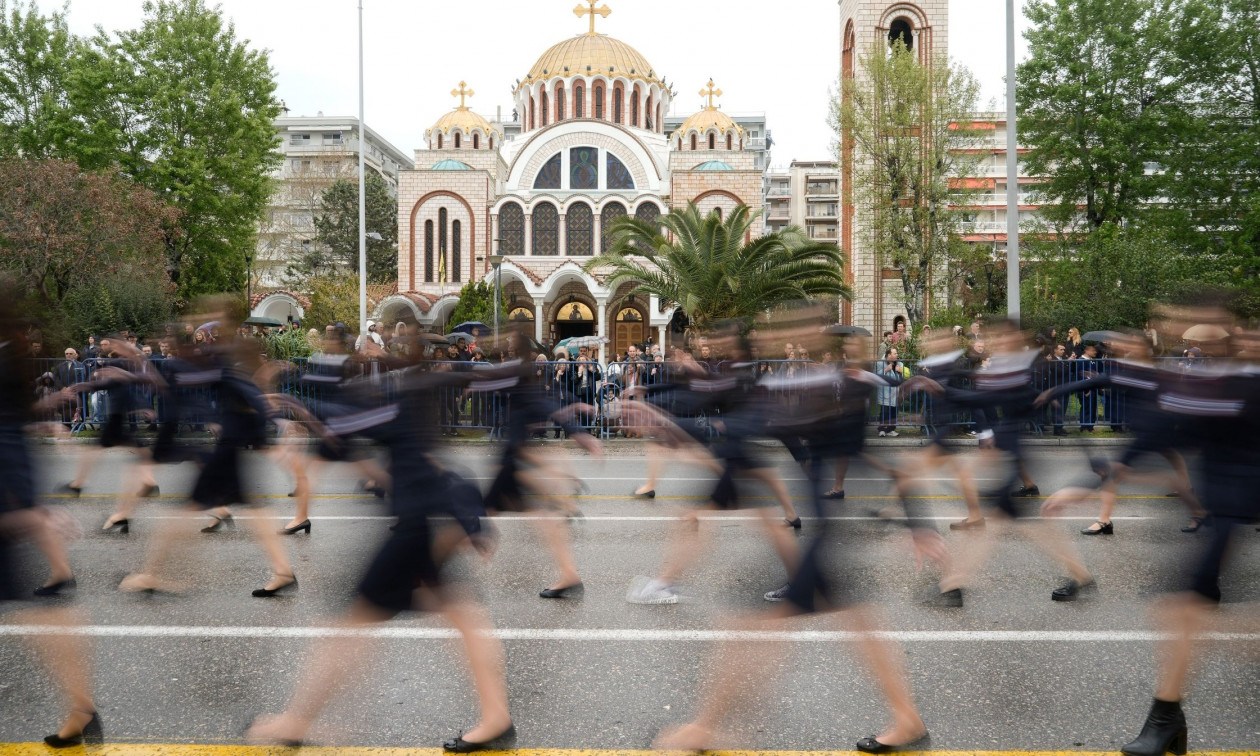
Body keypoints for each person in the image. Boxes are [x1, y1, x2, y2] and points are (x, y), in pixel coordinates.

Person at [876, 347, 906, 436]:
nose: (897, 355)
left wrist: (901, 372)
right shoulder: (880, 363)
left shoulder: (900, 364)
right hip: (885, 392)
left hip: (896, 392)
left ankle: (891, 430)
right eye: (895, 353)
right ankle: (882, 430)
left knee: (894, 412)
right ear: (889, 355)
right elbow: (875, 375)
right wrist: (885, 370)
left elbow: (905, 377)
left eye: (896, 353)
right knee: (885, 412)